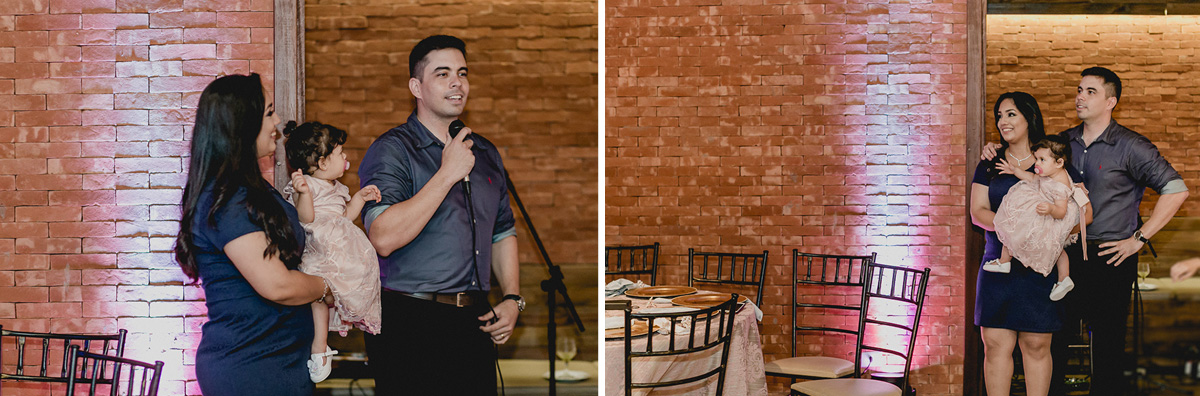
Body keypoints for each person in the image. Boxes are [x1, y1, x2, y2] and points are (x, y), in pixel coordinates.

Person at [984, 67, 1189, 396]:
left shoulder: (1131, 146)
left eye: (1090, 91)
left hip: (1111, 258)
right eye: (1079, 89)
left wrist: (1139, 240)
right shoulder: (1062, 142)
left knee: (1107, 349)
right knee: (1056, 343)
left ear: (1111, 101)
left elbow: (1177, 190)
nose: (1080, 96)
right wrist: (993, 151)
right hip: (1063, 256)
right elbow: (1028, 162)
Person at [358, 35, 523, 395]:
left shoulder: (484, 151)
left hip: (474, 319)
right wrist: (447, 172)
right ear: (416, 86)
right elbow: (383, 238)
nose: (457, 82)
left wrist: (512, 298)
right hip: (411, 321)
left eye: (462, 73)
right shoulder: (392, 150)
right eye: (443, 73)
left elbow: (502, 232)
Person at [173, 73, 328, 395]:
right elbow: (278, 285)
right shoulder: (228, 199)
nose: (278, 121)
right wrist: (329, 286)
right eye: (270, 112)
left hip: (280, 358)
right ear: (243, 125)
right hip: (252, 364)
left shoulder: (249, 189)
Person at [973, 92, 1082, 396]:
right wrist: (1016, 231)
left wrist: (1044, 232)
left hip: (1041, 265)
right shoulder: (990, 163)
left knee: (1036, 345)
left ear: (1029, 117)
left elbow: (1084, 213)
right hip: (999, 263)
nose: (1002, 121)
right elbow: (978, 211)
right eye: (999, 115)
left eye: (1010, 114)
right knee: (995, 345)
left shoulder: (1053, 161)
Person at [282, 121, 384, 383]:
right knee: (319, 297)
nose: (346, 157)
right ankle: (320, 347)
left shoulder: (337, 188)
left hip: (340, 247)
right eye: (341, 153)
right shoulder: (307, 185)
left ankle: (322, 344)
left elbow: (345, 218)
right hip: (320, 247)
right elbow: (307, 219)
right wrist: (303, 194)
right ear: (324, 162)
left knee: (330, 294)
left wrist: (359, 198)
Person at [988, 135, 1092, 302]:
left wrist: (1051, 209)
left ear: (1059, 163)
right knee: (1055, 248)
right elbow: (1034, 179)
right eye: (1037, 158)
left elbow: (1061, 212)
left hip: (1055, 215)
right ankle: (1063, 278)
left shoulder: (1060, 185)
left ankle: (1006, 261)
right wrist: (1014, 170)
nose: (1037, 163)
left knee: (1018, 229)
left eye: (1042, 160)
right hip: (1047, 207)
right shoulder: (1051, 173)